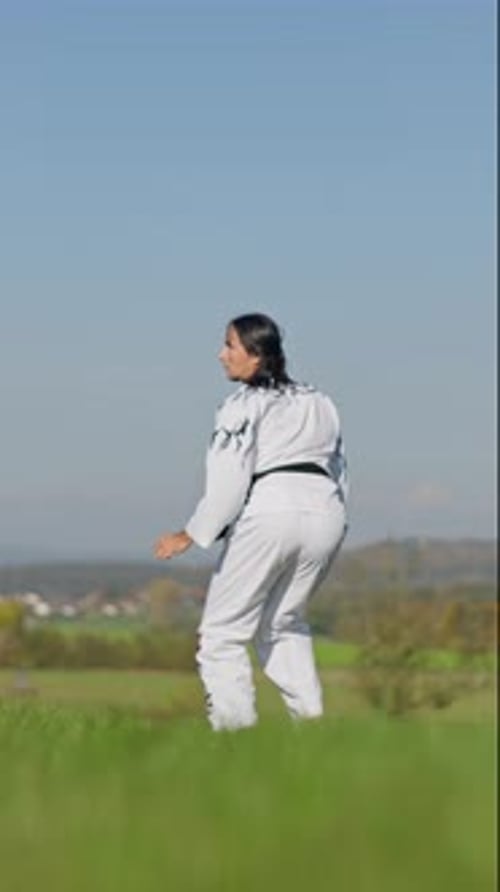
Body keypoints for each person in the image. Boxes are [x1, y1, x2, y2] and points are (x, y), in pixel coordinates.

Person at [154, 313, 348, 731]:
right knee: (283, 624)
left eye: (230, 346)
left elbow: (229, 480)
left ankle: (235, 735)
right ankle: (313, 730)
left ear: (256, 355)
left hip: (271, 510)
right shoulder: (321, 401)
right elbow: (340, 467)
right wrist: (336, 520)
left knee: (222, 634)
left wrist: (192, 532)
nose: (221, 355)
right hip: (327, 514)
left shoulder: (241, 405)